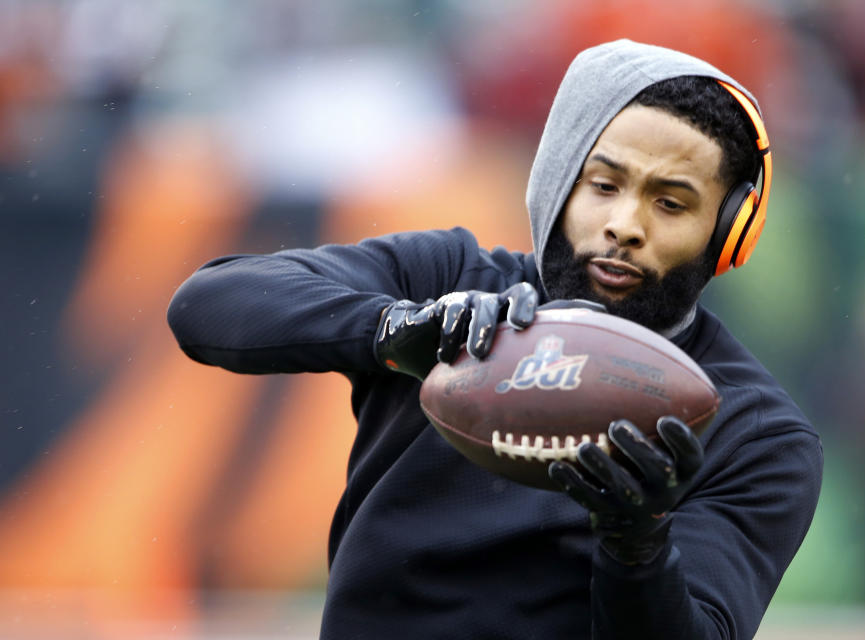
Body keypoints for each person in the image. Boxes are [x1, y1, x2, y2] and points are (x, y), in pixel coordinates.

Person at [167, 39, 823, 639]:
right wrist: (398, 331)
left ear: (728, 231)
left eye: (671, 203)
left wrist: (638, 543)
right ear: (557, 178)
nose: (625, 225)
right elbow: (206, 305)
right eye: (604, 185)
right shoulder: (447, 280)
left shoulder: (754, 431)